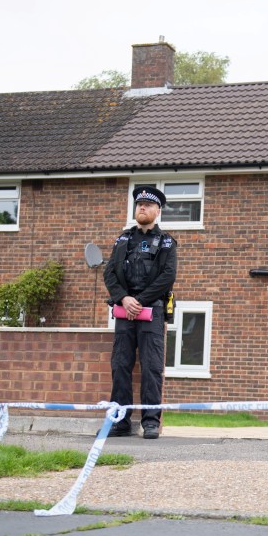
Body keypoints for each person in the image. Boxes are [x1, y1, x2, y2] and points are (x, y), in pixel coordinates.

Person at [103, 185, 178, 438]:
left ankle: (150, 422)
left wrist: (140, 301)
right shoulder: (123, 239)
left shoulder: (166, 241)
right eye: (138, 204)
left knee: (151, 367)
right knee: (120, 365)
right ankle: (121, 422)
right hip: (125, 312)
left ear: (157, 211)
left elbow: (168, 276)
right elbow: (109, 272)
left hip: (151, 312)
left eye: (147, 205)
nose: (141, 208)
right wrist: (124, 299)